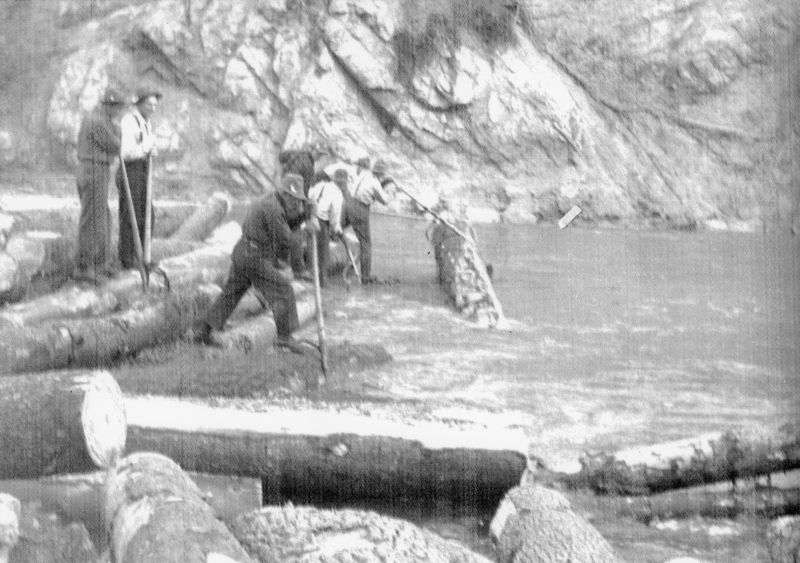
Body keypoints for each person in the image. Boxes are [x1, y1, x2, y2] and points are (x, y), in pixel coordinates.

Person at [193, 174, 312, 353]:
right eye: (294, 199)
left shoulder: (272, 202)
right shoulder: (272, 207)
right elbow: (286, 239)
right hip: (254, 256)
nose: (296, 204)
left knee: (232, 293)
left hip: (245, 252)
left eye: (298, 201)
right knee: (283, 290)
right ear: (286, 194)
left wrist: (303, 216)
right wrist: (307, 231)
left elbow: (285, 224)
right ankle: (284, 337)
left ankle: (204, 331)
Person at [74, 88, 128, 283]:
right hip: (93, 169)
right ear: (108, 106)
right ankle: (84, 267)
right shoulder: (96, 120)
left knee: (103, 217)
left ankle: (101, 263)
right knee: (92, 220)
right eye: (117, 108)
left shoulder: (101, 119)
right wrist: (117, 129)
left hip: (99, 169)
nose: (119, 112)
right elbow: (115, 145)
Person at [116, 87, 161, 269]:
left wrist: (150, 150)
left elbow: (145, 148)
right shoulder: (129, 121)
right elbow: (126, 153)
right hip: (130, 172)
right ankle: (127, 260)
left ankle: (143, 257)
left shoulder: (147, 123)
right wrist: (145, 148)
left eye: (155, 105)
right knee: (130, 215)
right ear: (140, 104)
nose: (153, 108)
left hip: (143, 171)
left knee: (147, 214)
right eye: (149, 104)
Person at [344, 156, 388, 284]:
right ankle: (366, 277)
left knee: (339, 230)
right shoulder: (375, 183)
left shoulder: (363, 173)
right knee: (366, 244)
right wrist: (391, 192)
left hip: (349, 204)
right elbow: (385, 201)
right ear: (381, 174)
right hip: (360, 209)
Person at [307, 170, 344, 287]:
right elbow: (335, 214)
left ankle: (311, 276)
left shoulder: (321, 185)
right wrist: (337, 229)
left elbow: (309, 196)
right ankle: (322, 281)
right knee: (323, 252)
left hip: (309, 217)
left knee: (311, 248)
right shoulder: (337, 193)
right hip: (322, 221)